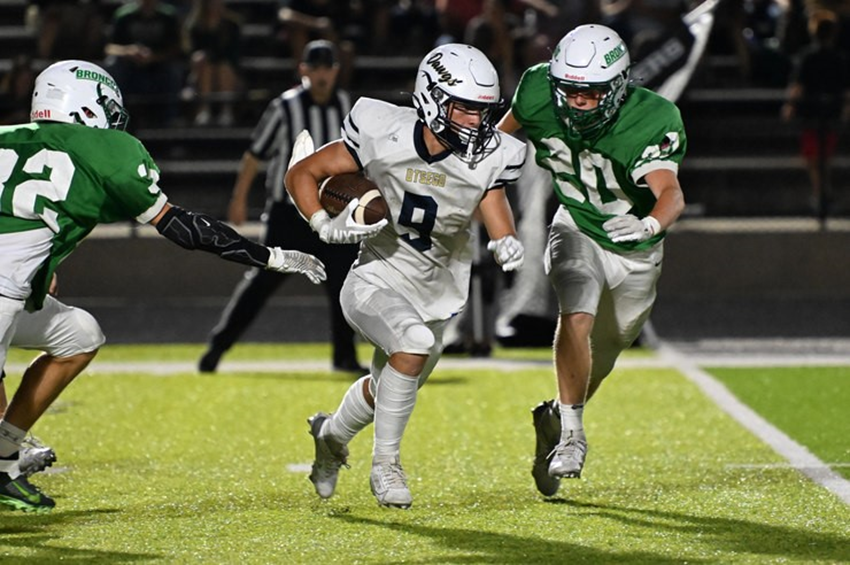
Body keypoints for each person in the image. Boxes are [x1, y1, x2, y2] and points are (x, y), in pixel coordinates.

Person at [0, 60, 327, 513]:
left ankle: (4, 450)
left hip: (10, 290)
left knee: (78, 334)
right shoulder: (105, 148)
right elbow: (184, 228)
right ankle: (2, 462)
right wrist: (268, 255)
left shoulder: (5, 136)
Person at [287, 43, 527, 509]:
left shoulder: (490, 153)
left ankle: (330, 436)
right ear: (433, 99)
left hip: (437, 291)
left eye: (483, 112)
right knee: (411, 345)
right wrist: (322, 224)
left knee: (390, 386)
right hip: (376, 276)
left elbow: (490, 194)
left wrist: (503, 238)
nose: (478, 123)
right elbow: (304, 172)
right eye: (466, 110)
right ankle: (386, 466)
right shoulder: (383, 130)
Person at [497, 24, 686, 496]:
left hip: (636, 251)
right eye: (571, 91)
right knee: (575, 311)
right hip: (576, 224)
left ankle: (559, 420)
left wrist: (649, 225)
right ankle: (573, 437)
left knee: (601, 360)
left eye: (592, 92)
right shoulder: (538, 88)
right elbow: (497, 143)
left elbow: (671, 194)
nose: (579, 102)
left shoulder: (652, 117)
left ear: (620, 87)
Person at [198, 40, 364, 374]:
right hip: (289, 214)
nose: (321, 76)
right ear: (303, 70)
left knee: (344, 285)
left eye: (326, 68)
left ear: (335, 71)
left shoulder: (347, 106)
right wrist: (239, 198)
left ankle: (344, 357)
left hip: (334, 212)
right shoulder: (284, 107)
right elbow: (254, 155)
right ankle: (218, 345)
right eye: (314, 68)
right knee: (263, 281)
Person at [781, 10, 849, 218]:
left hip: (812, 115)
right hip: (829, 113)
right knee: (822, 159)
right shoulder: (838, 58)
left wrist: (790, 106)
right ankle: (823, 195)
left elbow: (798, 86)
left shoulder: (808, 57)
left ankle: (821, 196)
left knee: (814, 159)